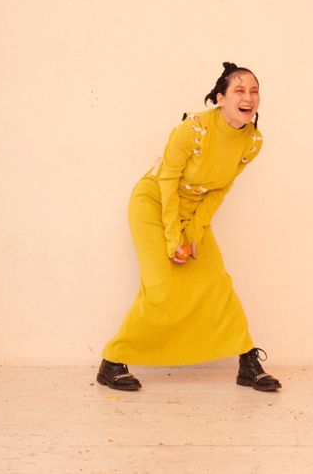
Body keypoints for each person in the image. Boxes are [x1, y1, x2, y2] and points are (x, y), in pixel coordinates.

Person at [97, 62, 281, 392]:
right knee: (161, 287)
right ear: (220, 98)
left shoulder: (252, 142)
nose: (248, 97)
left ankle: (247, 363)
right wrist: (172, 238)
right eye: (239, 90)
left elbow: (220, 189)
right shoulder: (193, 130)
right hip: (153, 204)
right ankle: (112, 362)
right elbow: (167, 180)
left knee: (216, 282)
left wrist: (193, 231)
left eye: (254, 91)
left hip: (193, 213)